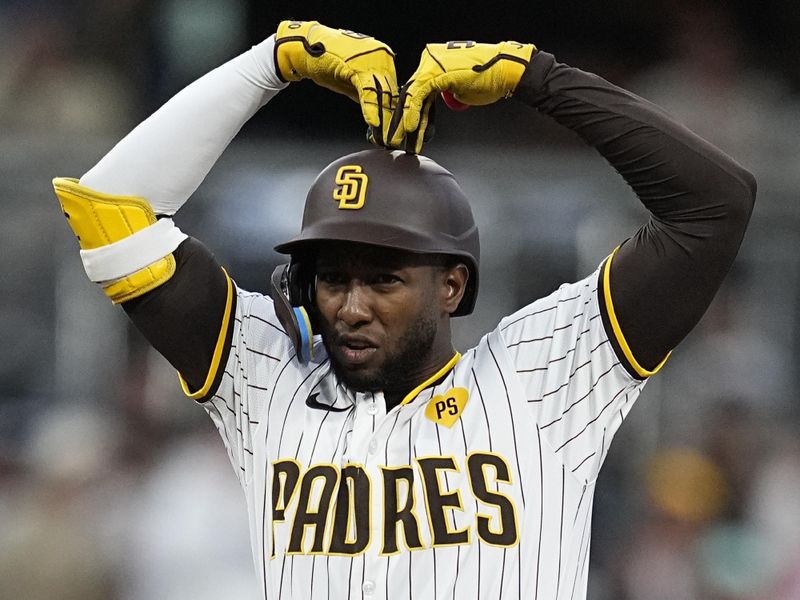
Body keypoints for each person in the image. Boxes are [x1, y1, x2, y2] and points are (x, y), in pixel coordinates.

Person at [52, 20, 756, 600]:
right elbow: (111, 209)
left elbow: (715, 207)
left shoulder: (543, 374)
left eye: (384, 278)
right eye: (332, 278)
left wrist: (537, 79)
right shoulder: (266, 377)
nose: (351, 306)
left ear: (451, 285)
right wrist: (272, 63)